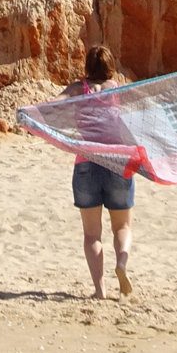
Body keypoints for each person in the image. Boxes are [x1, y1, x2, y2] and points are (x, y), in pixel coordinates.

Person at [63, 45, 133, 299]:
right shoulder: (119, 89)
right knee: (122, 226)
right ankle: (122, 264)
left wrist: (27, 114)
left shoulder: (76, 89)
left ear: (87, 67)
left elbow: (51, 107)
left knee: (92, 234)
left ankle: (100, 290)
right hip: (117, 162)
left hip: (86, 163)